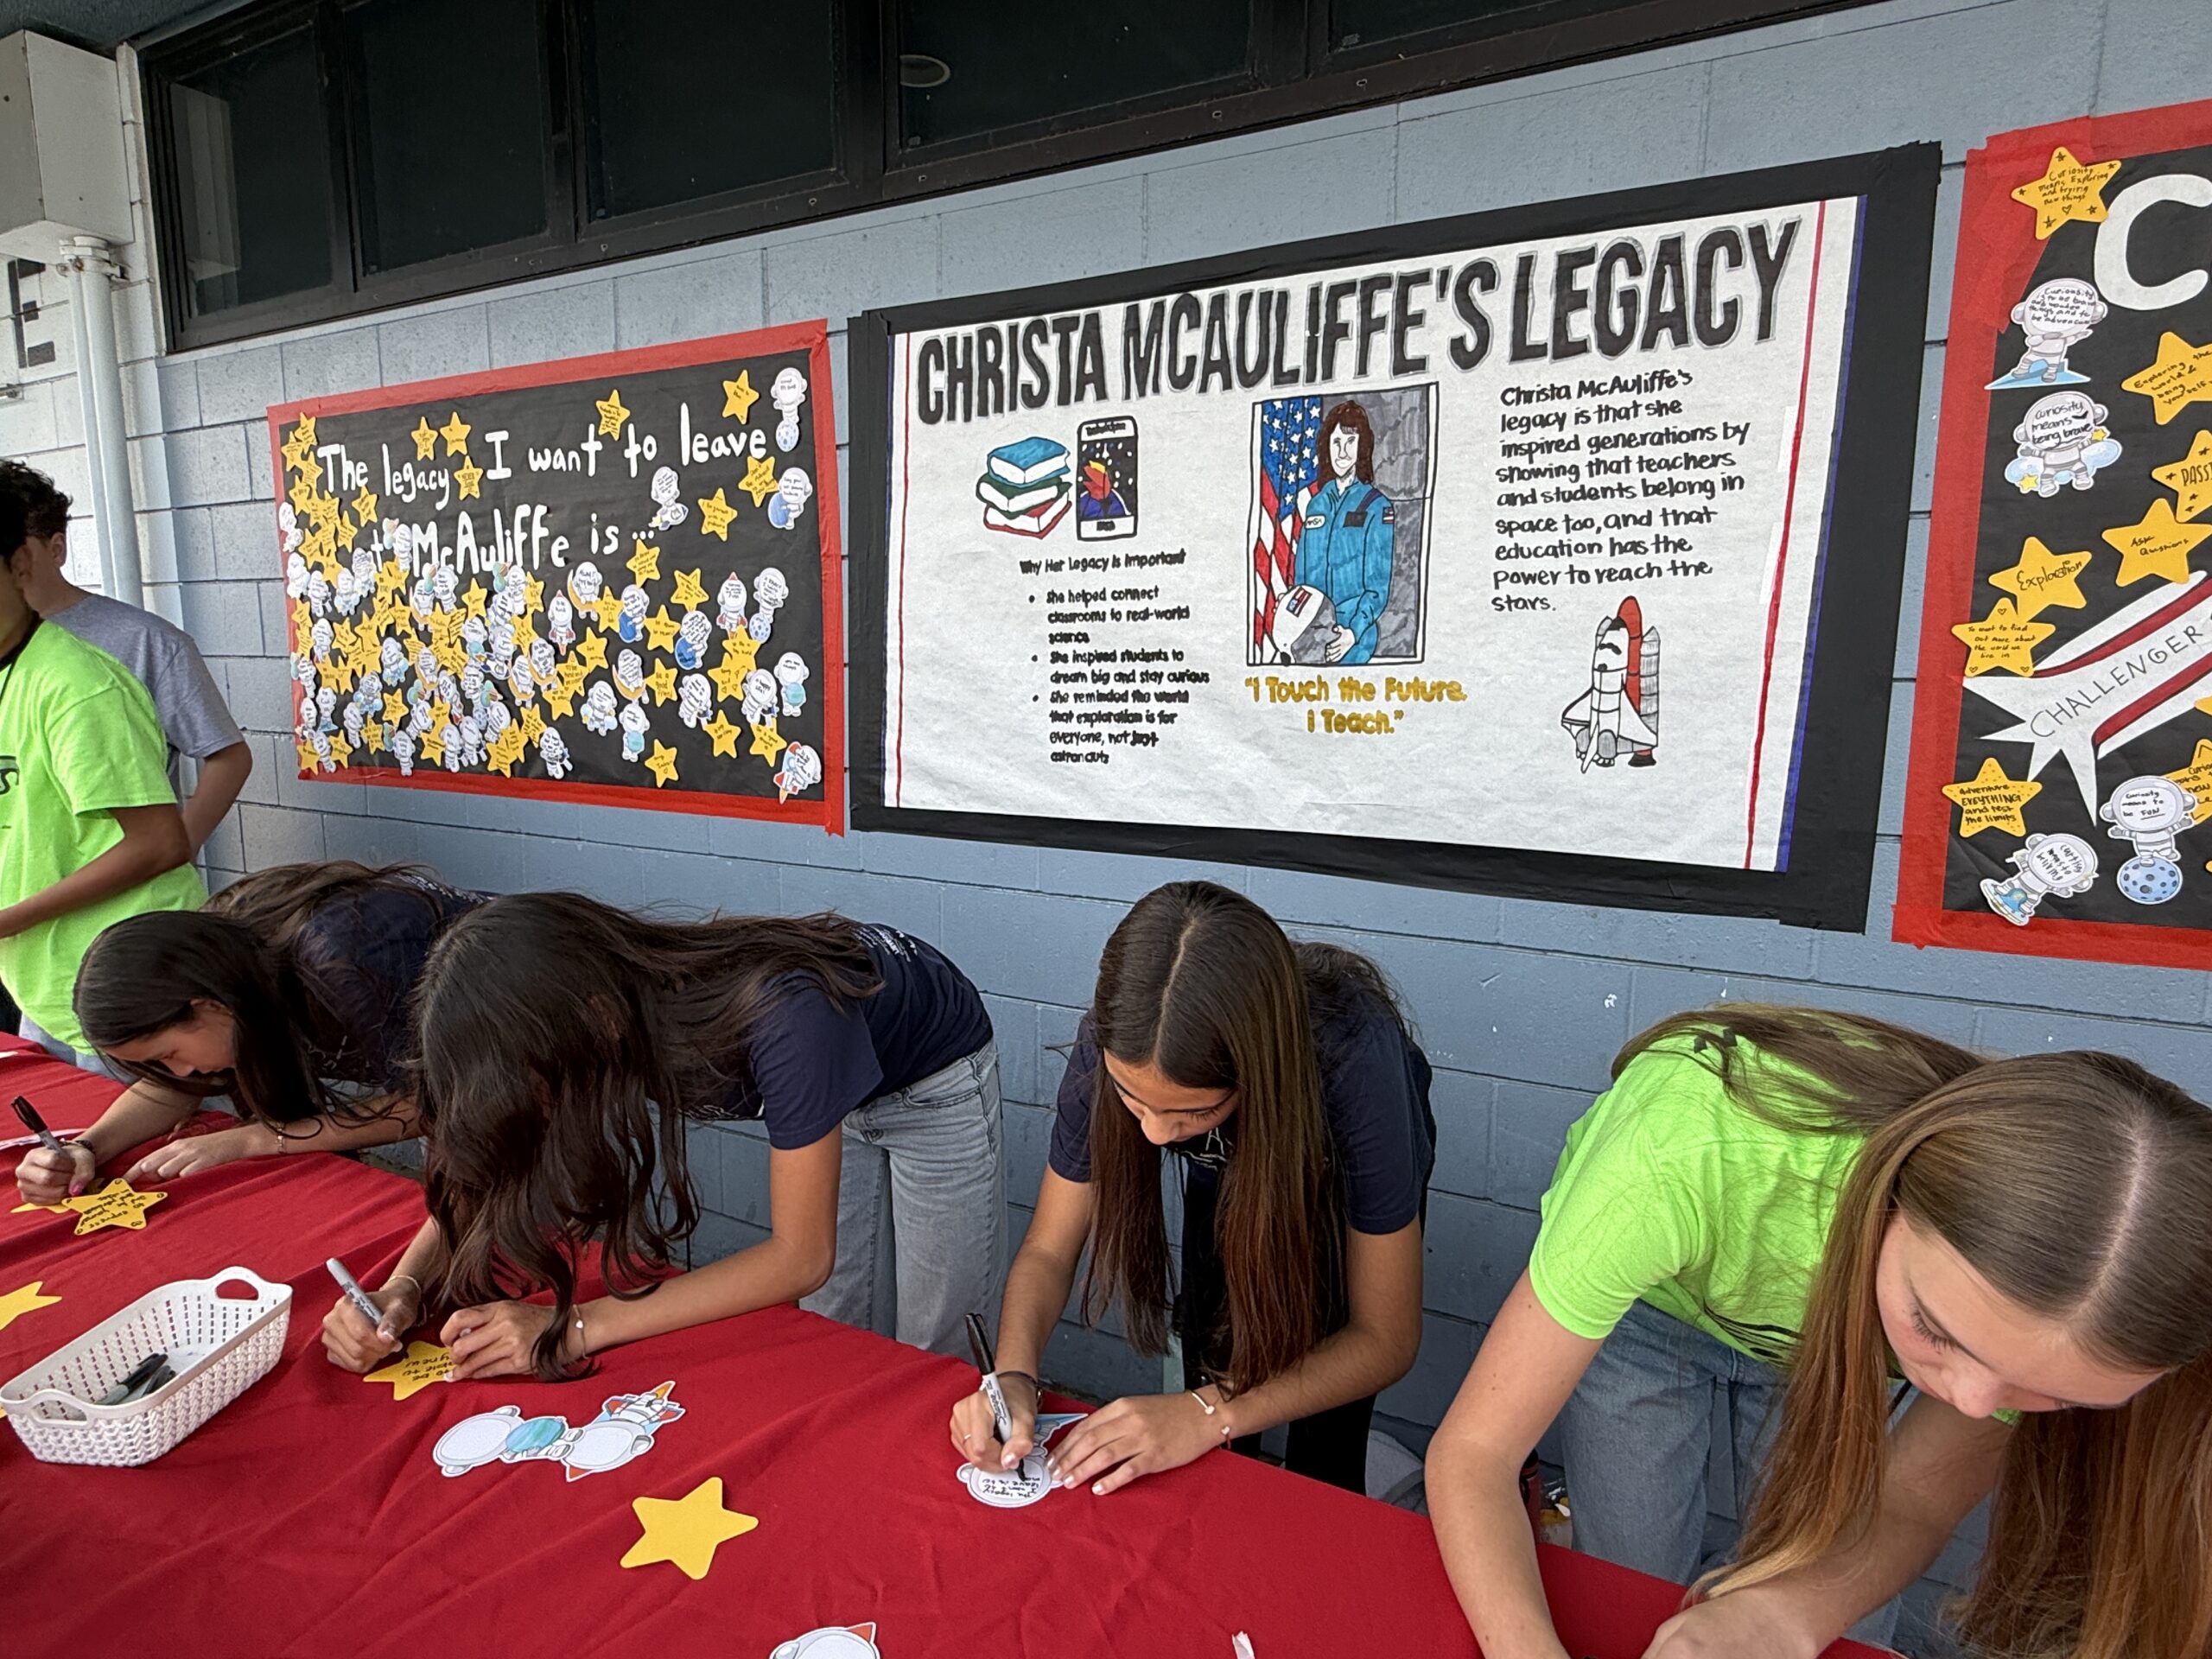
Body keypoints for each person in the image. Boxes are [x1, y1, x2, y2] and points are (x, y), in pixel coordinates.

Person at [1425, 1005, 2212, 1659]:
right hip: (1650, 1308)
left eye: (2053, 1397)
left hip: (1818, 1335)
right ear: (1891, 1199)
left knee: (1835, 1608)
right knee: (1628, 1568)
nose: (1974, 1404)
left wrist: (1780, 1617)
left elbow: (1912, 1503)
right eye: (1936, 1330)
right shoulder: (1677, 1156)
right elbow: (1476, 1454)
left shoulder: (2022, 1326)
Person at [319, 893, 1003, 1382]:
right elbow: (486, 1168)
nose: (543, 1107)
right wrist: (403, 1287)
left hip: (934, 1081)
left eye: (540, 1085)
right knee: (831, 1321)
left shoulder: (786, 1018)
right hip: (835, 1079)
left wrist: (575, 1327)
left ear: (599, 1020)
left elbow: (799, 1257)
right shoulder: (564, 990)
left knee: (938, 1342)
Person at [951, 880, 1433, 1497]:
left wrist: (1211, 1413)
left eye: (1188, 1115)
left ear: (1254, 1074)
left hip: (1330, 1167)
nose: (1154, 1135)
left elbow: (1385, 1337)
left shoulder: (1357, 1067)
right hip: (1239, 1157)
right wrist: (1012, 1376)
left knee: (1326, 1432)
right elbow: (1049, 1250)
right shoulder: (1115, 1043)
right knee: (1210, 1338)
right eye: (1133, 1100)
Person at [15, 862, 483, 1205]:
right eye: (158, 1065)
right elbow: (177, 1087)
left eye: (170, 1053)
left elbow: (439, 1104)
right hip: (473, 1083)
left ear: (208, 1005)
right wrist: (86, 1147)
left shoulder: (345, 963)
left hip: (532, 1058)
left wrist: (259, 1138)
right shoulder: (221, 965)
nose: (180, 1072)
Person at [0, 485, 200, 1071]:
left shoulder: (77, 685)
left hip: (135, 991)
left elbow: (161, 843)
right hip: (48, 984)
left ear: (20, 566)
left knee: (152, 1161)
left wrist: (7, 920)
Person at [1, 461, 251, 855]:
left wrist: (177, 848)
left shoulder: (147, 642)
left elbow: (228, 756)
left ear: (56, 549)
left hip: (122, 893)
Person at [1295, 400, 1395, 666]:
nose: (1342, 452)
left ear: (1362, 447)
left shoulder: (1376, 506)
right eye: (1336, 442)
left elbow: (1377, 586)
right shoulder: (1317, 504)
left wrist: (1353, 632)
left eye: (1350, 443)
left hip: (1354, 638)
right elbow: (1302, 574)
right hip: (1312, 634)